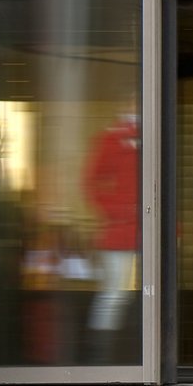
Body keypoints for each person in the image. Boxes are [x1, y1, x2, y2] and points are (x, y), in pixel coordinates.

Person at [83, 105, 140, 364]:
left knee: (154, 292)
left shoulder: (156, 131)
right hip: (122, 230)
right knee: (115, 293)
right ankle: (101, 360)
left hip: (152, 230)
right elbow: (92, 181)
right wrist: (117, 211)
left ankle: (143, 354)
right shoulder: (112, 138)